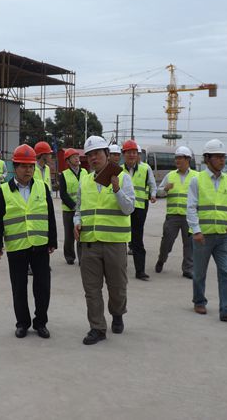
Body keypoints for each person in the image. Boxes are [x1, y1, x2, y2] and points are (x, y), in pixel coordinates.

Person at [74, 136, 135, 345]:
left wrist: (117, 189)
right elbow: (78, 209)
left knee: (117, 288)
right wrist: (77, 222)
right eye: (89, 155)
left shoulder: (123, 177)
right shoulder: (84, 180)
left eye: (97, 153)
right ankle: (97, 328)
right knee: (91, 290)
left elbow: (129, 208)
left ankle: (117, 314)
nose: (93, 158)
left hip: (114, 243)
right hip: (89, 243)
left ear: (107, 155)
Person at [0, 144, 57, 338]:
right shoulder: (3, 192)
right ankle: (22, 323)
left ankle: (41, 322)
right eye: (23, 166)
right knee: (19, 288)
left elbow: (50, 215)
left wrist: (52, 240)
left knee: (43, 287)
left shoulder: (42, 187)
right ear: (15, 167)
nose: (28, 170)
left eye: (30, 166)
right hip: (17, 246)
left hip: (40, 245)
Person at [187, 139, 227, 322]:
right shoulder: (197, 180)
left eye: (223, 157)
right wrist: (196, 230)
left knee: (225, 272)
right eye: (218, 157)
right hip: (203, 236)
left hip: (223, 236)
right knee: (199, 273)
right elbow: (191, 208)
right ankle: (199, 301)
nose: (222, 160)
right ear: (207, 158)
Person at [155, 146, 198, 279]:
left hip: (189, 217)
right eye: (176, 158)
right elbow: (158, 192)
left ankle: (188, 269)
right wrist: (165, 189)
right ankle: (161, 259)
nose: (177, 161)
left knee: (189, 244)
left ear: (188, 159)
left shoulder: (196, 177)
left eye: (180, 158)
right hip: (173, 216)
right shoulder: (170, 175)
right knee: (167, 241)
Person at [121, 139, 157, 281]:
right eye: (129, 152)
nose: (132, 155)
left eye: (134, 152)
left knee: (137, 239)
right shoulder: (118, 170)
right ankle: (120, 268)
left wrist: (153, 194)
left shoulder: (145, 168)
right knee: (121, 238)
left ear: (138, 155)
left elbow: (152, 184)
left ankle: (140, 271)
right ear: (124, 154)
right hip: (122, 208)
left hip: (139, 208)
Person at [59, 148, 87, 265]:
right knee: (69, 235)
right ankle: (69, 256)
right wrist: (74, 206)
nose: (76, 159)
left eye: (77, 156)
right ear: (68, 161)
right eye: (73, 157)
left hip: (82, 208)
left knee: (81, 234)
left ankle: (82, 258)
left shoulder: (85, 172)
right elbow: (63, 194)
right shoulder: (64, 175)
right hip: (69, 210)